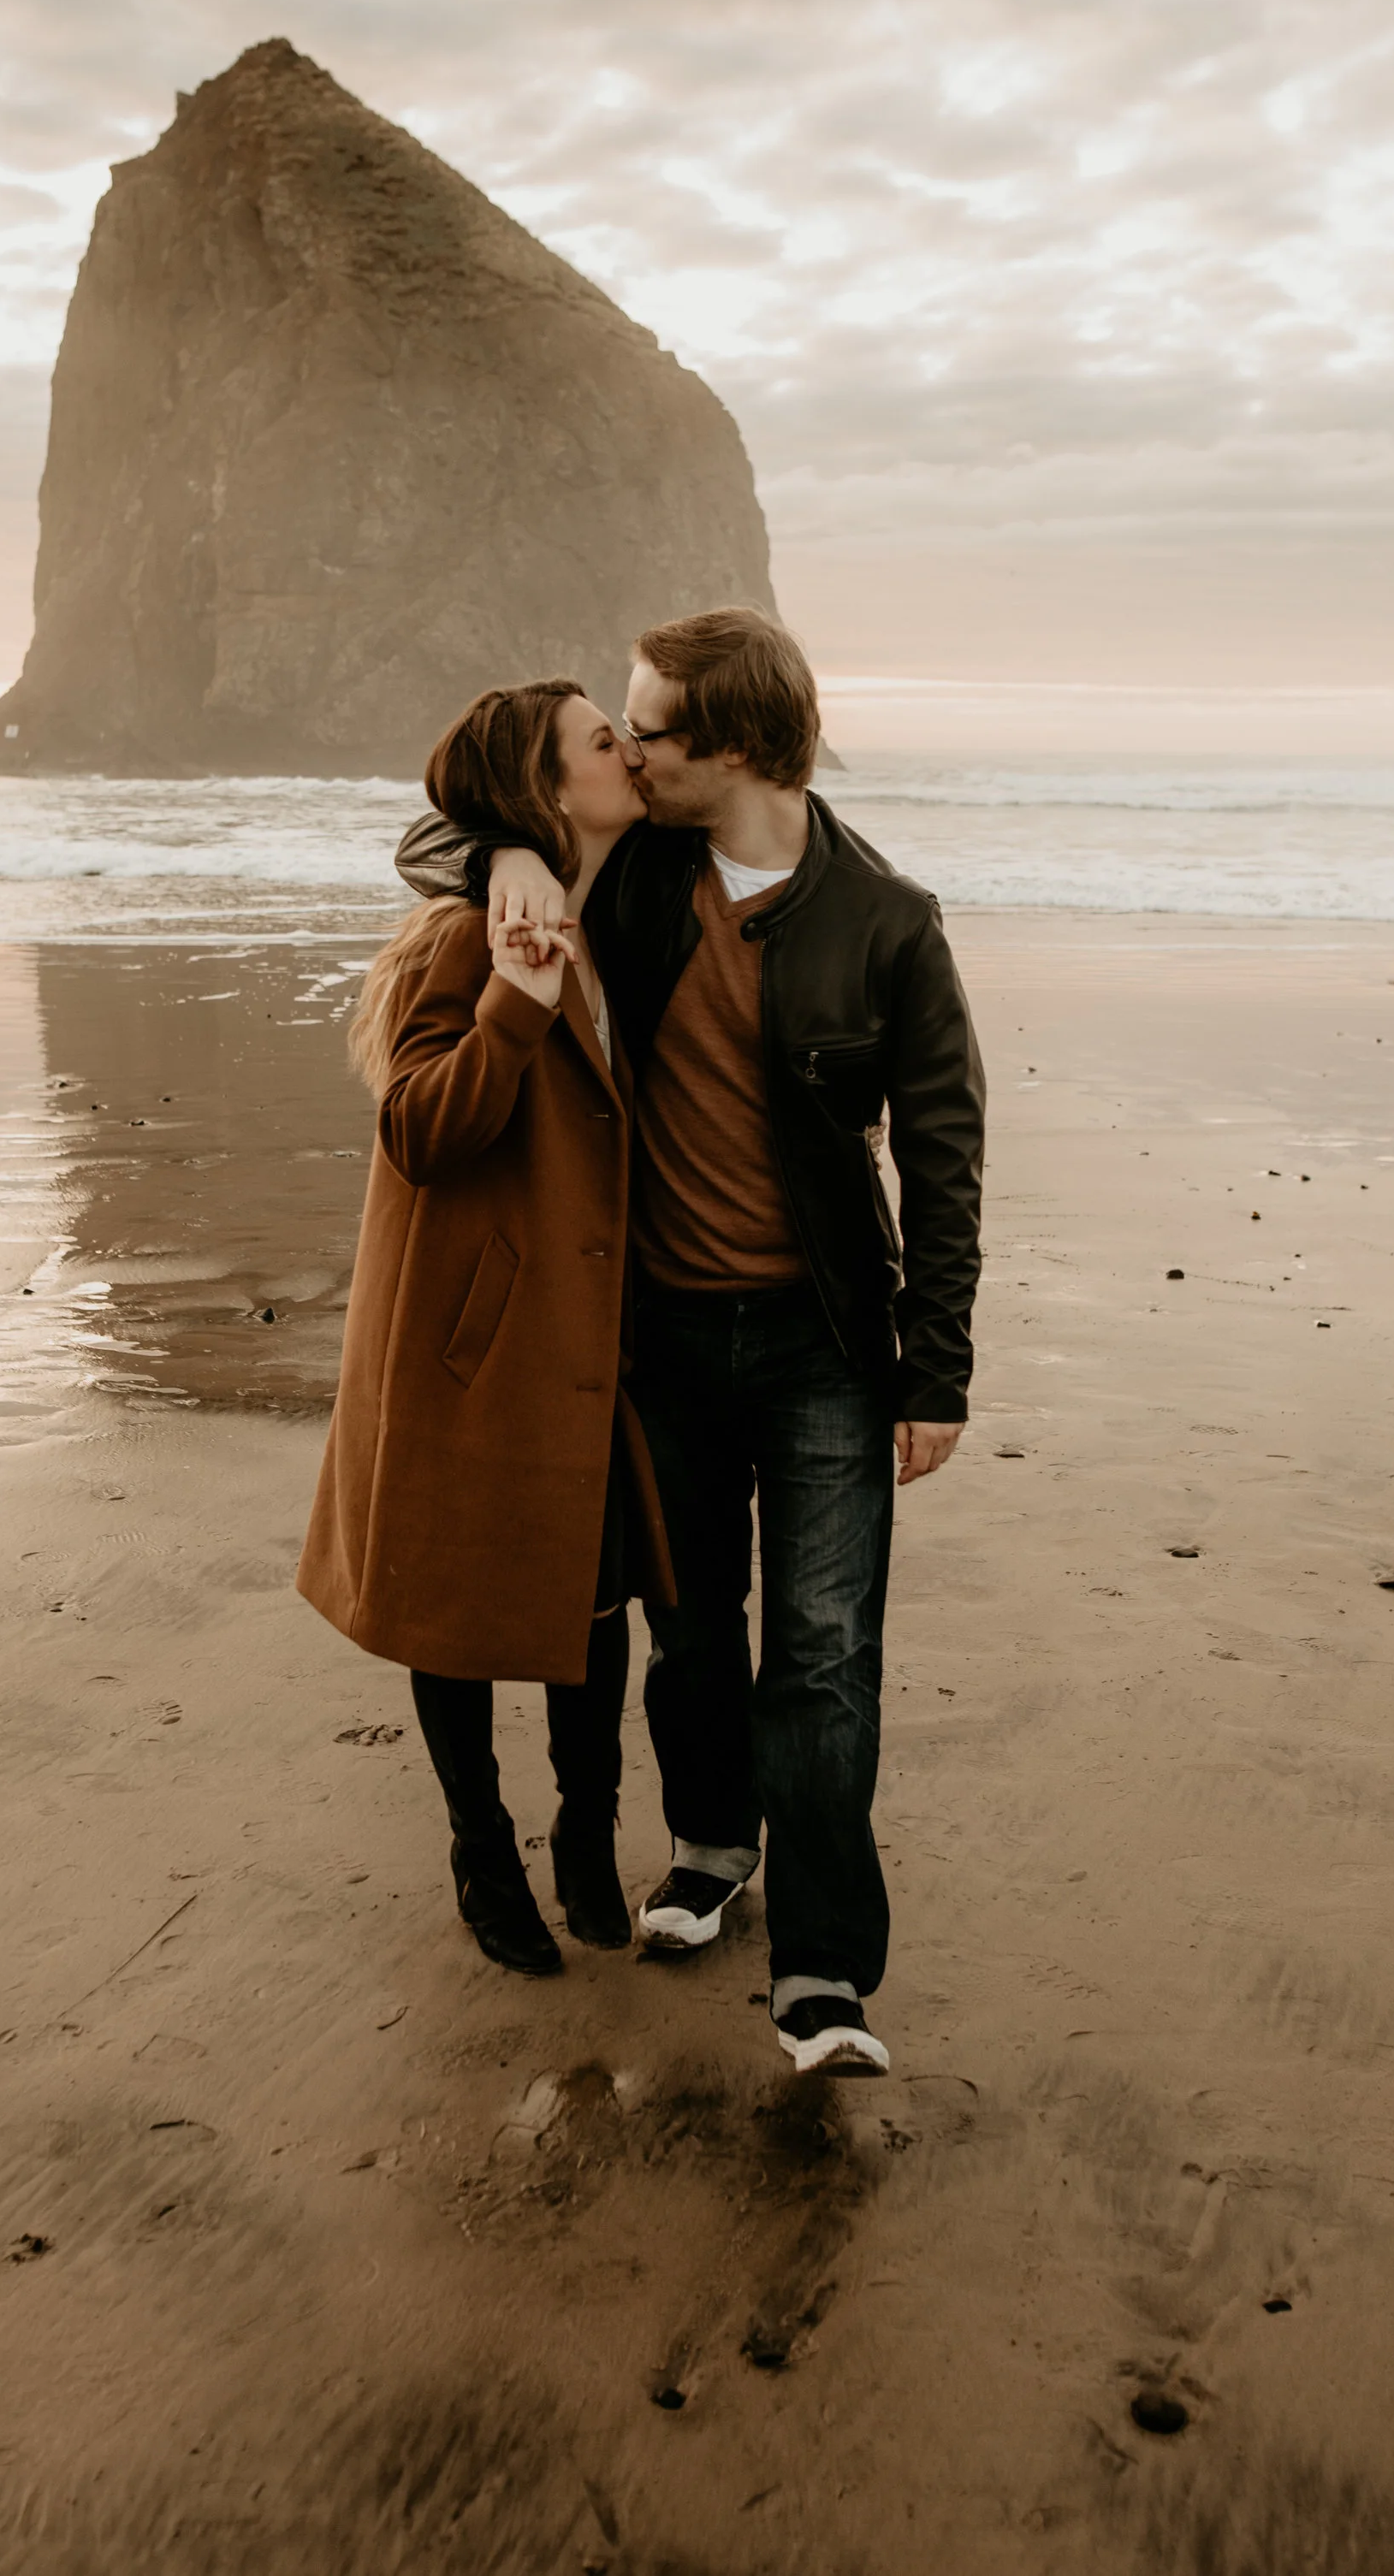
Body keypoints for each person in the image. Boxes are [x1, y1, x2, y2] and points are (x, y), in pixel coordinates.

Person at [396, 607, 985, 2076]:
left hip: (824, 1344)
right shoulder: (636, 877)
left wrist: (939, 1367)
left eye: (650, 726)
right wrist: (513, 856)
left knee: (827, 1655)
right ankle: (714, 1843)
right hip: (653, 1329)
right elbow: (438, 840)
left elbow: (945, 1150)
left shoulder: (887, 920)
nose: (631, 745)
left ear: (731, 745)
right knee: (692, 1631)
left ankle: (826, 1972)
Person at [297, 679, 674, 1976]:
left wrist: (510, 851)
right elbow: (419, 1128)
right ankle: (478, 1840)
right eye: (598, 741)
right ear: (543, 787)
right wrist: (513, 1003)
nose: (626, 750)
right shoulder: (474, 937)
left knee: (593, 1589)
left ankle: (586, 1824)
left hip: (590, 1324)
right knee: (451, 1598)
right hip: (486, 1337)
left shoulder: (611, 901)